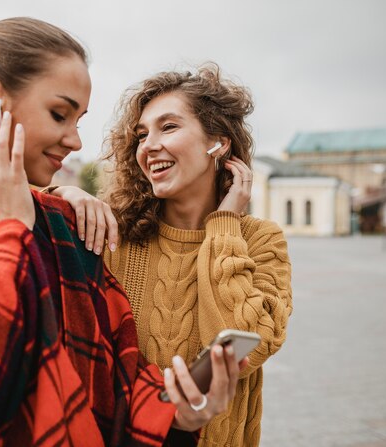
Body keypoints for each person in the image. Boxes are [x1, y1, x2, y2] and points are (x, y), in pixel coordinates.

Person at [0, 19, 244, 446]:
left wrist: (176, 412)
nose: (75, 140)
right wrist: (14, 226)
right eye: (60, 114)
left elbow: (116, 377)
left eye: (79, 119)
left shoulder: (66, 222)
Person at [50, 64, 293, 446]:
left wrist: (225, 222)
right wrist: (63, 195)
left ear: (219, 142)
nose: (148, 145)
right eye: (142, 134)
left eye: (169, 127)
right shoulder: (114, 235)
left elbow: (253, 343)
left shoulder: (261, 240)